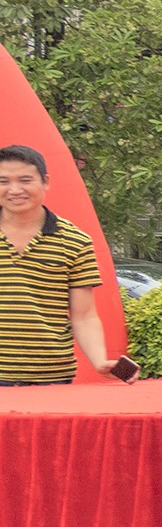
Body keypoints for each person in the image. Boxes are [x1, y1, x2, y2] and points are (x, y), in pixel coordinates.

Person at [0, 145, 120, 385]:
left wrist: (99, 361)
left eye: (25, 180)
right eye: (4, 182)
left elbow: (84, 316)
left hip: (52, 378)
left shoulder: (75, 241)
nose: (15, 190)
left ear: (45, 182)